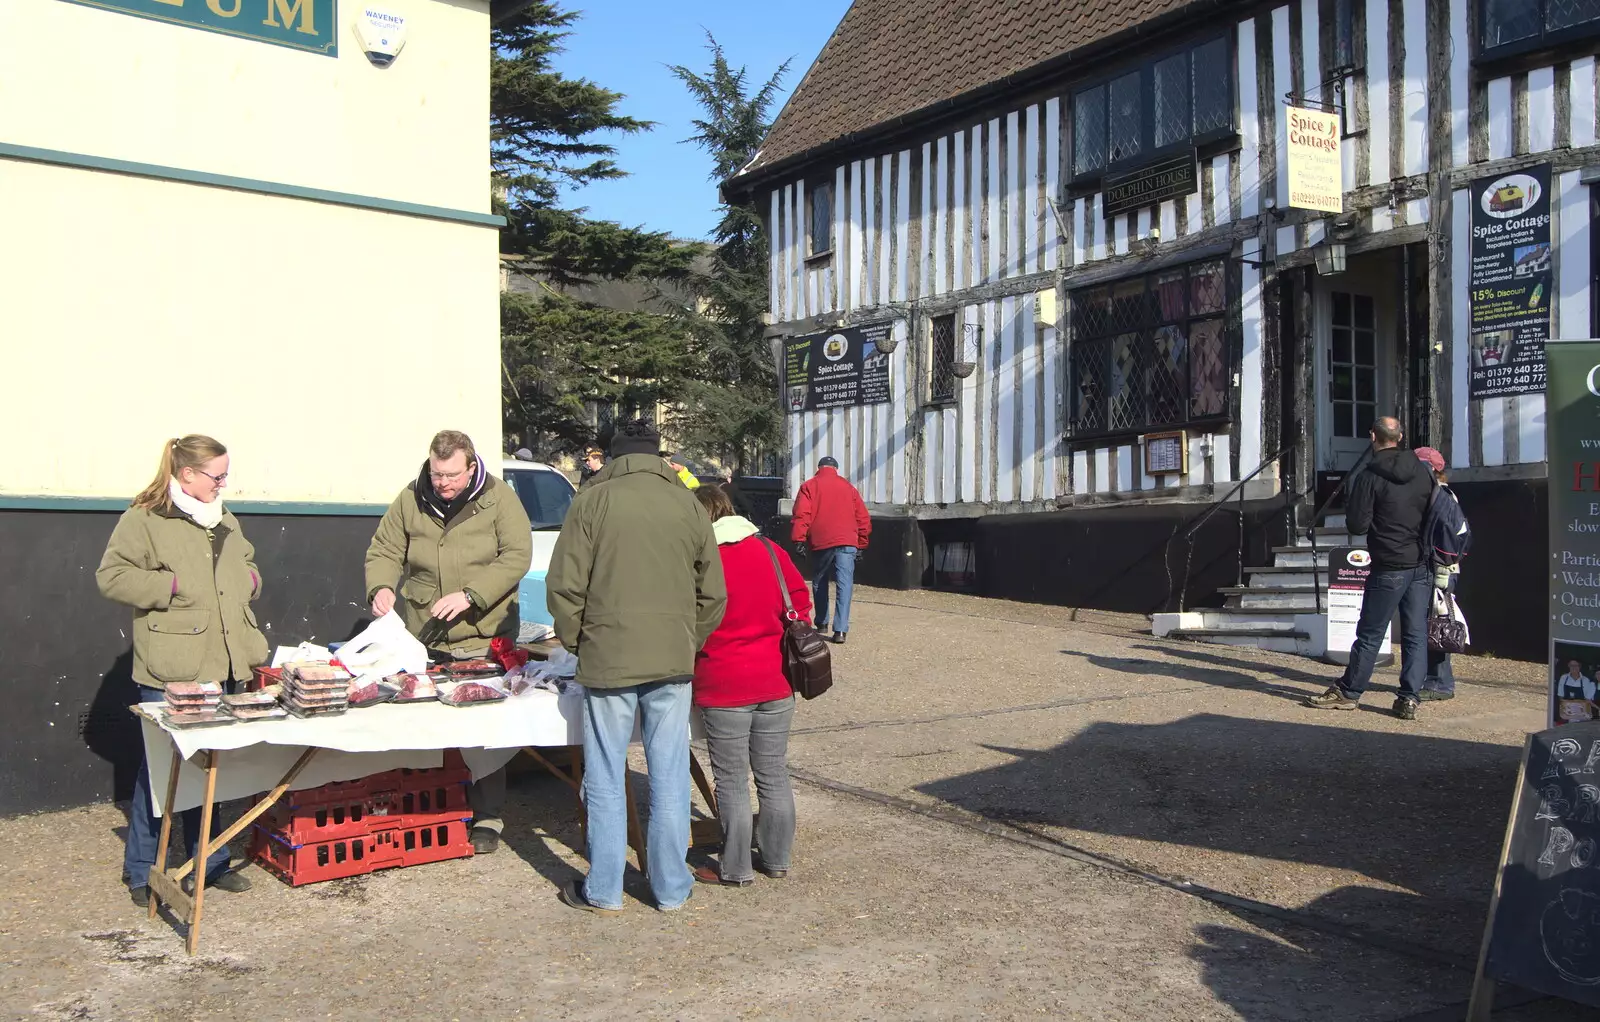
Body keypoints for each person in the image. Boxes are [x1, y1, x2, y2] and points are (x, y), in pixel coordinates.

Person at [546, 418, 727, 913]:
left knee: (605, 773)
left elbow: (564, 587)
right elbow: (713, 593)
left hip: (608, 658)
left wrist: (578, 642)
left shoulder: (591, 501)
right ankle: (670, 889)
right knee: (669, 774)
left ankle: (603, 889)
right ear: (658, 456)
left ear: (612, 456)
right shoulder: (688, 505)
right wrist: (688, 640)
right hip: (671, 658)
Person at [97, 435, 268, 907]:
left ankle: (208, 864)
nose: (223, 483)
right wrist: (169, 584)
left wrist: (248, 582)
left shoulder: (224, 517)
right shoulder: (146, 518)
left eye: (225, 474)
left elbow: (248, 563)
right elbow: (111, 576)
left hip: (224, 658)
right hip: (173, 667)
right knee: (162, 773)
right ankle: (140, 870)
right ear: (187, 474)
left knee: (211, 768)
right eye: (217, 475)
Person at [365, 430, 532, 854]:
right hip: (427, 634)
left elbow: (517, 555)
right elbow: (384, 548)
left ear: (471, 466)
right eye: (438, 474)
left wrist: (472, 595)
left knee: (483, 733)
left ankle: (488, 817)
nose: (444, 483)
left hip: (483, 633)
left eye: (453, 475)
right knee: (429, 726)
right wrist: (381, 587)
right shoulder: (410, 497)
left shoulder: (500, 500)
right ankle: (435, 812)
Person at [689, 484, 807, 887]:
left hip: (723, 683)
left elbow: (689, 621)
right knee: (773, 773)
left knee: (732, 780)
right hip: (775, 680)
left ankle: (735, 867)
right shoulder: (771, 551)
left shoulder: (701, 562)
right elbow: (801, 604)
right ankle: (777, 859)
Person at [1305, 417, 1434, 719]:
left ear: (1372, 435)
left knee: (1371, 632)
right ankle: (1409, 697)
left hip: (1389, 562)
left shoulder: (1368, 476)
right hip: (1421, 562)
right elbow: (1433, 512)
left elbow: (1357, 524)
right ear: (1400, 437)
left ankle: (1350, 691)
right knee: (1415, 633)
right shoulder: (1423, 472)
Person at [791, 455, 871, 644]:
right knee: (845, 584)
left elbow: (802, 514)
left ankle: (821, 623)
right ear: (836, 468)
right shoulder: (849, 488)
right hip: (848, 541)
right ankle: (841, 631)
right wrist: (862, 542)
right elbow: (862, 517)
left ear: (819, 467)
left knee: (820, 580)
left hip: (821, 540)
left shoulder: (809, 486)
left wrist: (799, 539)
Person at [1414, 446, 1461, 702]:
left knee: (1439, 625)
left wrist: (1444, 570)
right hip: (1440, 567)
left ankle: (1440, 683)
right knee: (1432, 623)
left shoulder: (1441, 497)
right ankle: (1434, 679)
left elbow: (1450, 538)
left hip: (1441, 568)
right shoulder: (1442, 495)